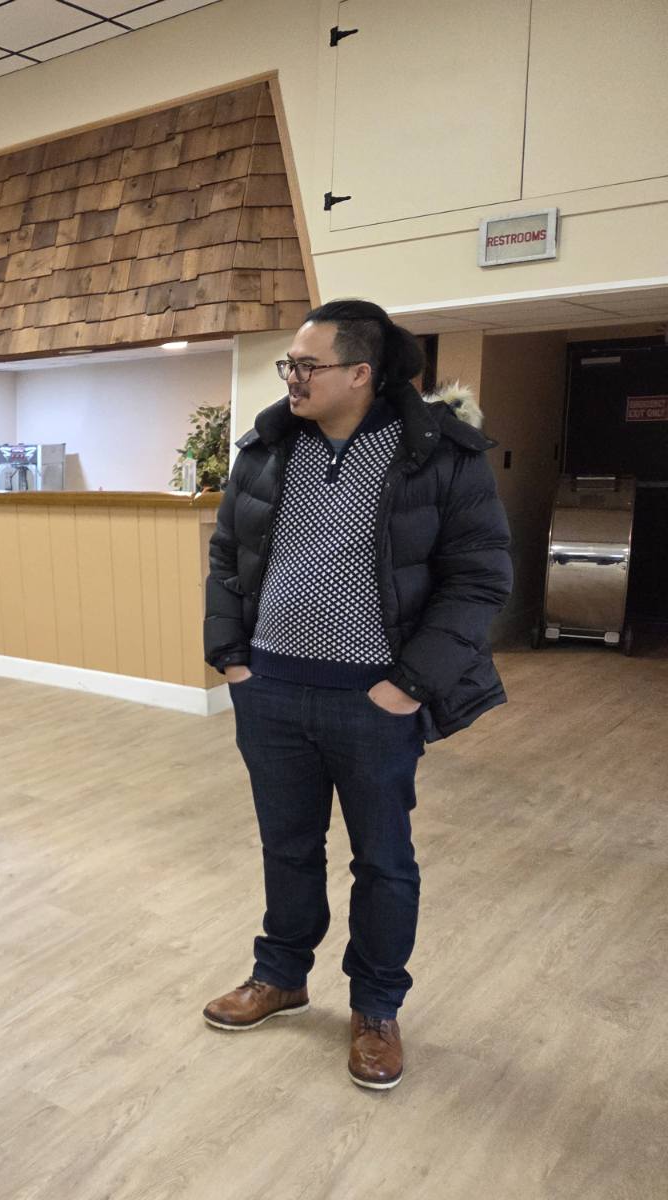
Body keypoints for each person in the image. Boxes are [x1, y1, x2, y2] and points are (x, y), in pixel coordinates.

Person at [201, 299, 512, 1091]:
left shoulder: (440, 456)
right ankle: (281, 975)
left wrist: (409, 687)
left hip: (373, 702)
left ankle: (376, 1008)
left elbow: (479, 580)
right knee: (287, 846)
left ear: (361, 374)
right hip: (270, 692)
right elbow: (228, 557)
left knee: (383, 861)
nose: (292, 377)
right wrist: (232, 659)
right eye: (291, 365)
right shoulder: (266, 449)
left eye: (308, 365)